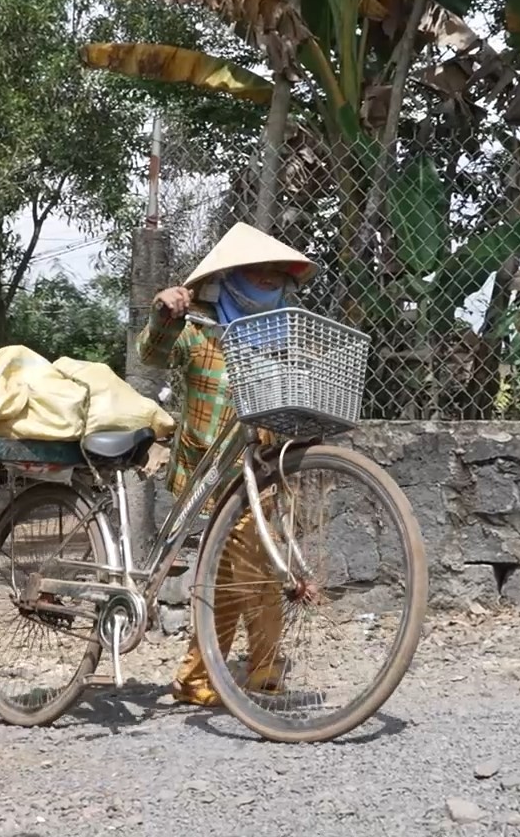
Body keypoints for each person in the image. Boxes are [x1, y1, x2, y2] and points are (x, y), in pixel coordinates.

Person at [138, 222, 314, 707]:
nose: (267, 277)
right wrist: (163, 312)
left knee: (238, 570)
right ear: (230, 276)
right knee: (250, 568)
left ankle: (203, 677)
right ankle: (256, 677)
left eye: (276, 271)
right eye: (256, 269)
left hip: (263, 472)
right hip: (209, 473)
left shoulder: (284, 336)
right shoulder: (198, 331)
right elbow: (151, 354)